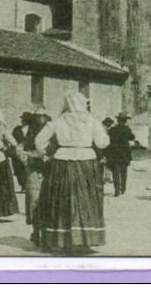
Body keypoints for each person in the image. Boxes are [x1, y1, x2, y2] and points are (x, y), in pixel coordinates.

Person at [35, 92, 109, 253]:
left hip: (62, 161)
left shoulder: (57, 122)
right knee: (86, 199)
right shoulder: (92, 121)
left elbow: (39, 141)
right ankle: (84, 240)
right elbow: (102, 143)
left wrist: (46, 155)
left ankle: (63, 239)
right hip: (86, 161)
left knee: (62, 199)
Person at [15, 111, 51, 245]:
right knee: (34, 201)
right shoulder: (28, 132)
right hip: (33, 172)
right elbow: (19, 149)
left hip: (49, 171)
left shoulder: (52, 132)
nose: (41, 118)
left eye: (43, 116)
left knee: (48, 201)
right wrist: (27, 159)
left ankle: (46, 232)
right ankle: (36, 231)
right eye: (38, 116)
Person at [106, 112, 136, 196]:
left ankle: (117, 190)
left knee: (115, 172)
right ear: (125, 121)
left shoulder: (112, 129)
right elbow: (132, 137)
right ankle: (123, 188)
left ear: (118, 120)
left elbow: (109, 138)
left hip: (114, 152)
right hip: (124, 153)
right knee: (124, 171)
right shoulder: (127, 129)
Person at [10, 111, 32, 192]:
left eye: (24, 120)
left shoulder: (32, 130)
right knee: (18, 169)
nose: (23, 121)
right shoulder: (17, 129)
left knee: (28, 168)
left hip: (28, 151)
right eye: (22, 120)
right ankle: (23, 186)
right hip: (17, 153)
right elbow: (12, 139)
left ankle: (28, 185)